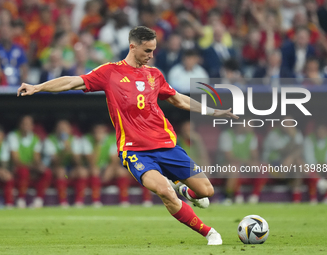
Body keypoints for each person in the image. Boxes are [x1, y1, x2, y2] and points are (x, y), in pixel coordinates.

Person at [17, 26, 238, 245]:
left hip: (167, 146)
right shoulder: (110, 72)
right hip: (135, 151)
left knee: (205, 191)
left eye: (153, 51)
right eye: (147, 51)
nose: (151, 56)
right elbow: (72, 81)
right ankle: (210, 233)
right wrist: (38, 87)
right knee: (165, 192)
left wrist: (214, 111)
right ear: (133, 47)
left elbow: (178, 99)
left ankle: (186, 191)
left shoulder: (155, 74)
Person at [7, 115, 52, 208]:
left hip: (30, 167)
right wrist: (31, 166)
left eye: (28, 124)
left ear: (32, 126)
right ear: (20, 125)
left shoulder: (35, 139)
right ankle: (21, 199)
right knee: (24, 171)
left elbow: (36, 158)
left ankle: (38, 200)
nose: (26, 126)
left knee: (46, 172)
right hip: (16, 168)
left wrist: (39, 166)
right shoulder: (13, 136)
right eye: (24, 124)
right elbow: (15, 159)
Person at [43, 119, 86, 207]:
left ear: (70, 130)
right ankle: (63, 202)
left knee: (82, 171)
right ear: (56, 129)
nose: (63, 130)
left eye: (65, 128)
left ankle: (79, 202)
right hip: (55, 170)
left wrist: (71, 150)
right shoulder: (49, 140)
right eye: (60, 128)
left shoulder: (75, 140)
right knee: (61, 171)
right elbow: (55, 163)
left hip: (70, 171)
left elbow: (79, 163)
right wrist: (64, 151)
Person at [0, 125, 14, 208]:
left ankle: (9, 204)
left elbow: (4, 163)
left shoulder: (4, 146)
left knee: (8, 177)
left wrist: (4, 171)